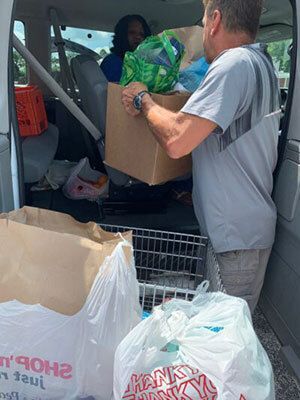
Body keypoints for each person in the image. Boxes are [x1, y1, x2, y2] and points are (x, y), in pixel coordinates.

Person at [121, 0, 280, 314]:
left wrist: (143, 99)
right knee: (222, 335)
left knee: (225, 342)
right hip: (243, 232)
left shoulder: (232, 64)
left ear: (216, 21)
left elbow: (178, 140)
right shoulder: (261, 64)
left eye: (204, 20)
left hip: (235, 239)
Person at [101, 15, 151, 83]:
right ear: (122, 35)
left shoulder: (146, 66)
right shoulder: (113, 61)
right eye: (132, 32)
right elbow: (116, 91)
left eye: (142, 34)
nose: (138, 37)